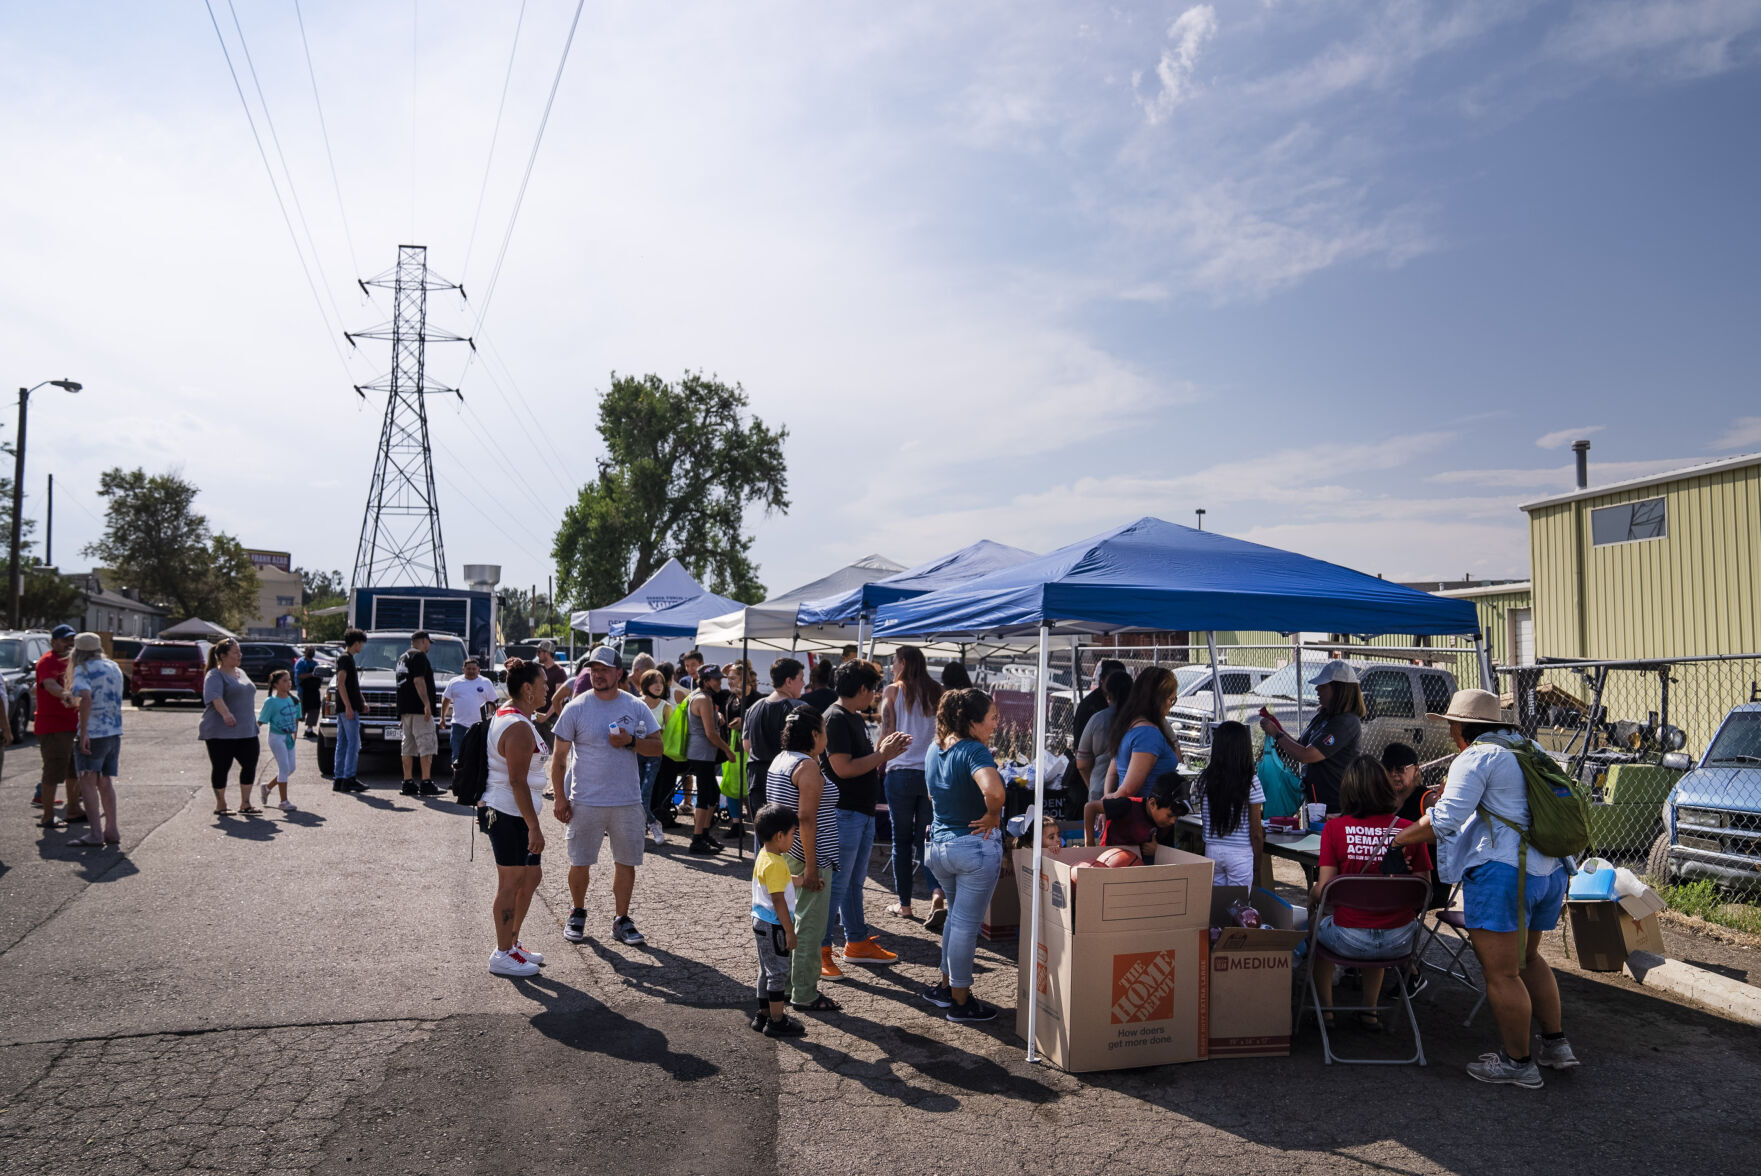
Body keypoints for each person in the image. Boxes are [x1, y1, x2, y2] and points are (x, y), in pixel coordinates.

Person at [1392, 689, 1578, 1087]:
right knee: (1528, 960)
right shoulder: (1527, 748)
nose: (1450, 733)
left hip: (1504, 872)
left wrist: (1397, 838)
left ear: (1462, 726)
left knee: (1502, 974)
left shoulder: (1476, 757)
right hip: (1549, 869)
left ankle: (1518, 1063)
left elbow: (1443, 821)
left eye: (1451, 725)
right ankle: (1555, 1044)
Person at [1310, 755, 1434, 1032]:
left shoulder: (1334, 829)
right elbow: (1424, 889)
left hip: (1347, 939)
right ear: (1385, 787)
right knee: (1380, 915)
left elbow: (1324, 890)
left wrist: (1310, 895)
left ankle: (1326, 1012)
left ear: (1348, 790)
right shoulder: (1409, 829)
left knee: (1315, 925)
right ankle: (1370, 1011)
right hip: (1401, 940)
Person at [550, 646, 659, 948]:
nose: (597, 675)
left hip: (626, 800)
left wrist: (630, 742)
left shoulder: (635, 706)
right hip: (585, 800)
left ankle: (621, 919)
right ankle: (577, 911)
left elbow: (657, 747)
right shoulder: (576, 707)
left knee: (626, 862)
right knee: (579, 861)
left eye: (604, 670)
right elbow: (559, 759)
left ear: (619, 673)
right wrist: (560, 798)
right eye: (593, 670)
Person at [820, 660, 910, 973]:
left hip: (858, 812)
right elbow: (842, 768)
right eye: (873, 688)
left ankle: (856, 941)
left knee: (852, 883)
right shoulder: (836, 718)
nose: (875, 695)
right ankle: (820, 950)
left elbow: (856, 762)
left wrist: (883, 752)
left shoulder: (851, 717)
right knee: (838, 885)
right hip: (845, 812)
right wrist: (883, 754)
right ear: (862, 688)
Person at [923, 688, 1007, 1023]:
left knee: (956, 919)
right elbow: (995, 791)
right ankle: (960, 999)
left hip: (939, 847)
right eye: (992, 718)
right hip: (971, 849)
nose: (996, 724)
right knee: (964, 925)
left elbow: (932, 795)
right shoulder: (974, 750)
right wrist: (993, 815)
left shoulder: (935, 748)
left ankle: (946, 988)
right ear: (972, 722)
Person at [767, 707, 840, 1013]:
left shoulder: (781, 759)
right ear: (813, 733)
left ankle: (788, 987)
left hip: (786, 851)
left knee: (791, 921)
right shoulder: (807, 766)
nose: (827, 736)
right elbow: (807, 818)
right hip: (811, 855)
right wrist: (811, 867)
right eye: (824, 730)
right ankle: (806, 993)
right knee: (810, 925)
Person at [481, 660, 550, 978]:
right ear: (527, 688)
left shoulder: (517, 716)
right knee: (510, 883)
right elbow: (517, 780)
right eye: (543, 683)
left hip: (517, 812)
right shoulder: (518, 726)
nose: (547, 688)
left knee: (530, 877)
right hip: (508, 813)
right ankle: (502, 953)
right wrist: (534, 826)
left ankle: (511, 943)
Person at [879, 646, 945, 926]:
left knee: (901, 841)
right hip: (931, 773)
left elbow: (887, 732)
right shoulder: (938, 692)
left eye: (894, 662)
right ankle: (936, 892)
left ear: (903, 662)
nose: (892, 667)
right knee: (926, 839)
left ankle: (904, 904)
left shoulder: (893, 692)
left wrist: (877, 761)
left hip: (900, 771)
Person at [1261, 660, 1363, 811]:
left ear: (1339, 690)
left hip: (1337, 806)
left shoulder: (1345, 723)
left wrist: (1276, 733)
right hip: (1318, 803)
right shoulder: (1324, 715)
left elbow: (1306, 755)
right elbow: (1300, 746)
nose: (1317, 689)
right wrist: (1276, 729)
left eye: (1323, 686)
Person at [749, 801, 807, 1039]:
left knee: (766, 970)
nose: (795, 838)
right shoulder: (775, 864)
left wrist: (801, 881)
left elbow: (781, 881)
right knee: (778, 974)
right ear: (780, 835)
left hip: (760, 922)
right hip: (774, 925)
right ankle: (777, 1021)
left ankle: (763, 1015)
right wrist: (789, 931)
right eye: (793, 834)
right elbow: (778, 899)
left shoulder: (766, 855)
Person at [67, 632, 124, 846]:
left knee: (88, 782)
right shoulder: (113, 666)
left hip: (94, 733)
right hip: (114, 731)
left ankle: (96, 834)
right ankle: (112, 830)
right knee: (105, 782)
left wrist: (83, 732)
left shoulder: (83, 669)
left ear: (77, 652)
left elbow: (86, 697)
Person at [1192, 720, 1265, 885]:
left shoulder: (1205, 779)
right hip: (1240, 854)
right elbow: (1256, 832)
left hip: (1212, 850)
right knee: (1238, 901)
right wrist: (1257, 866)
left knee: (1217, 899)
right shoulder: (1251, 781)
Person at [200, 638, 261, 816]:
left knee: (250, 765)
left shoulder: (240, 672)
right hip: (220, 732)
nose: (239, 655)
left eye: (239, 651)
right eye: (235, 652)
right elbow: (215, 697)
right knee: (221, 767)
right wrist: (226, 713)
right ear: (222, 656)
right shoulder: (214, 675)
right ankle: (221, 804)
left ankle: (246, 804)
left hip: (247, 730)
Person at [1103, 666, 1183, 800]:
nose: (1171, 705)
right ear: (1158, 699)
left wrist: (1108, 800)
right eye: (1171, 700)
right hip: (1144, 810)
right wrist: (1108, 802)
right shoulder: (1148, 734)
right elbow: (1129, 789)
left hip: (1126, 808)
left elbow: (1112, 773)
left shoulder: (1128, 724)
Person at [742, 658, 806, 822]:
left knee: (763, 830)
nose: (804, 684)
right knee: (787, 831)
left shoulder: (754, 708)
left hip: (756, 776)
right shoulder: (798, 708)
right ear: (789, 681)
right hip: (786, 778)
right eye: (801, 679)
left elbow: (747, 745)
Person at [34, 625, 83, 829]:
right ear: (53, 642)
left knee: (73, 770)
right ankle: (47, 816)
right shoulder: (48, 661)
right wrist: (64, 694)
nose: (69, 643)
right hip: (54, 726)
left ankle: (73, 809)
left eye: (72, 639)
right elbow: (49, 684)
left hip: (72, 724)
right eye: (65, 640)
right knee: (54, 770)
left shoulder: (73, 661)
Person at [682, 663, 733, 855]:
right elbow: (710, 733)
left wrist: (716, 714)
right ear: (705, 681)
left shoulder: (700, 696)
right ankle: (697, 839)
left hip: (703, 754)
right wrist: (727, 750)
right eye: (716, 679)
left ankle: (703, 834)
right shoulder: (703, 699)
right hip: (701, 754)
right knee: (705, 796)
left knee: (712, 794)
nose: (719, 682)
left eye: (720, 679)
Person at [1084, 772, 1185, 856]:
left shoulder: (1167, 824)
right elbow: (1090, 807)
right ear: (1152, 803)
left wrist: (1158, 851)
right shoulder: (1127, 805)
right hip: (1109, 859)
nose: (1173, 821)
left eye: (1177, 816)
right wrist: (1089, 845)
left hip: (1140, 865)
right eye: (1170, 815)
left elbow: (1168, 853)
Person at [1075, 669, 1132, 803]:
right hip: (1134, 793)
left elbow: (1082, 764)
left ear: (1108, 696)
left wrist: (1093, 786)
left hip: (1099, 791)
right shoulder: (1142, 720)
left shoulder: (1098, 720)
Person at [395, 631, 439, 796]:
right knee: (426, 744)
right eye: (428, 643)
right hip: (419, 710)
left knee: (408, 747)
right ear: (424, 641)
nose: (429, 647)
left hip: (406, 710)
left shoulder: (403, 658)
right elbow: (418, 680)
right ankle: (426, 782)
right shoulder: (419, 656)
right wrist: (427, 704)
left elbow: (402, 685)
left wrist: (401, 713)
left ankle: (408, 782)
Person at [635, 668, 675, 844]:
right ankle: (645, 824)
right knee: (635, 794)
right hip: (635, 753)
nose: (658, 686)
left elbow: (670, 733)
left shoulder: (666, 707)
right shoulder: (636, 703)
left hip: (654, 756)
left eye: (661, 682)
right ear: (645, 684)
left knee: (644, 794)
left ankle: (651, 823)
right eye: (654, 682)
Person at [256, 670, 302, 811]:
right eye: (284, 681)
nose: (289, 683)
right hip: (276, 738)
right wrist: (249, 735)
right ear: (276, 684)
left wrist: (294, 737)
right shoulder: (271, 702)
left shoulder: (295, 700)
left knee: (291, 768)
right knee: (284, 768)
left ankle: (267, 787)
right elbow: (260, 721)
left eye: (289, 680)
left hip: (289, 738)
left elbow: (296, 720)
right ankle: (284, 802)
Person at [1069, 658, 1126, 767]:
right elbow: (1079, 751)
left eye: (1122, 679)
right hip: (1094, 768)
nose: (1117, 684)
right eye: (1113, 679)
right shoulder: (1089, 706)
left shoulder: (1129, 705)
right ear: (1102, 679)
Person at [441, 658, 500, 765]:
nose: (471, 671)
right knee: (457, 757)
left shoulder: (486, 682)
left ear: (478, 670)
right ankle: (457, 776)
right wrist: (442, 718)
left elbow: (492, 702)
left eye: (474, 669)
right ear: (463, 669)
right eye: (468, 669)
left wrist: (492, 720)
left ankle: (474, 776)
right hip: (459, 725)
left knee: (477, 756)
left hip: (479, 726)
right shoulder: (454, 682)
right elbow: (446, 700)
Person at [332, 628, 367, 793]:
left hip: (346, 707)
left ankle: (339, 779)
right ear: (356, 643)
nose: (362, 647)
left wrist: (362, 701)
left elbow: (353, 685)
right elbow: (341, 683)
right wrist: (348, 706)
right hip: (347, 708)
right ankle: (349, 778)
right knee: (353, 744)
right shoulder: (346, 659)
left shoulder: (347, 658)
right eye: (361, 643)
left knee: (343, 743)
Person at [1382, 741, 1424, 821]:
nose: (1393, 774)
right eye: (1388, 769)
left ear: (1416, 770)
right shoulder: (1379, 797)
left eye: (1400, 769)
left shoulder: (1426, 800)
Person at [294, 645, 322, 738]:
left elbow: (319, 675)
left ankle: (309, 730)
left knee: (314, 710)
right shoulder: (301, 663)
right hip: (303, 691)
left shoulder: (315, 663)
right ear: (305, 652)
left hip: (314, 691)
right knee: (300, 711)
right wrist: (312, 674)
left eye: (312, 650)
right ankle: (293, 731)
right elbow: (299, 676)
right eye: (309, 650)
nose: (311, 652)